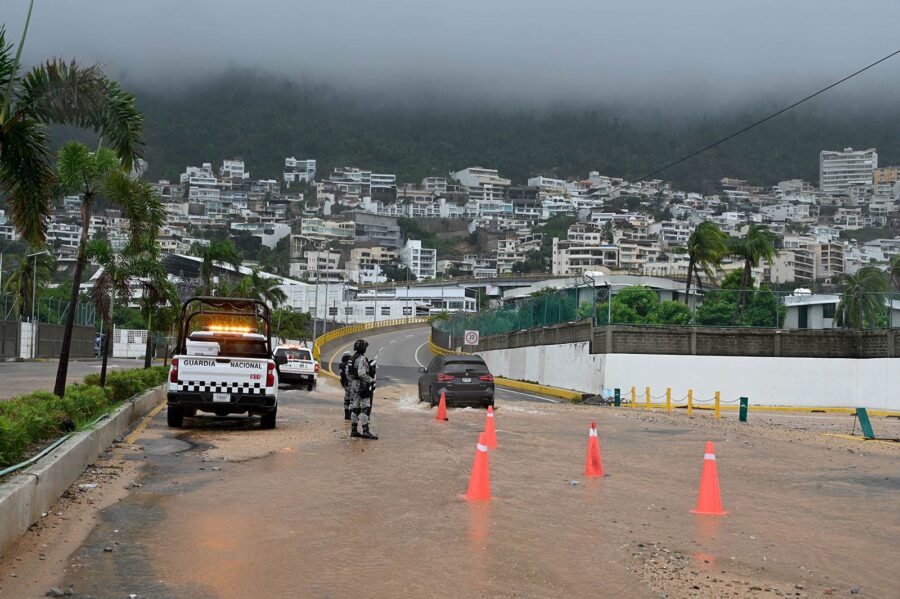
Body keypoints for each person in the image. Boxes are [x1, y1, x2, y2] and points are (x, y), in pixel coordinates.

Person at [347, 339, 377, 440]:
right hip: (362, 385)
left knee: (355, 408)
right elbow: (361, 373)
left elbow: (348, 374)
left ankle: (354, 430)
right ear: (363, 349)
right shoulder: (362, 359)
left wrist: (353, 383)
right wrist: (371, 380)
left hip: (354, 385)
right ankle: (365, 431)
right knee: (365, 407)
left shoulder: (352, 358)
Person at [338, 352, 353, 420]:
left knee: (346, 399)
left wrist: (343, 383)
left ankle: (346, 414)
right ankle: (352, 415)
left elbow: (342, 376)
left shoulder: (341, 365)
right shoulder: (350, 364)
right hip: (351, 384)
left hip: (345, 384)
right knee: (352, 400)